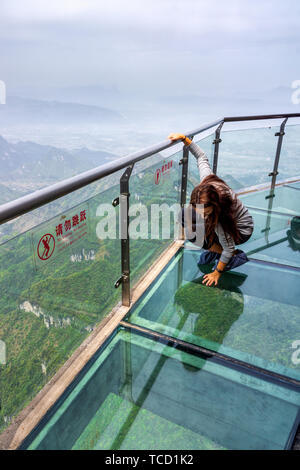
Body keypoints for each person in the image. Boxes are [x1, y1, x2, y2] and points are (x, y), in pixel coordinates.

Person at [168, 133, 254, 287]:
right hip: (225, 221)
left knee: (195, 236)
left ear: (214, 206)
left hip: (241, 230)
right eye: (198, 209)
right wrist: (185, 139)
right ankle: (214, 247)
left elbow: (229, 247)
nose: (201, 215)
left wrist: (217, 272)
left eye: (205, 213)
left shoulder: (222, 215)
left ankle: (235, 257)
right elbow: (201, 157)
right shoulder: (207, 183)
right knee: (185, 216)